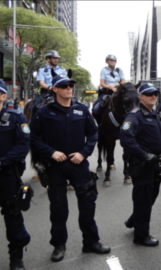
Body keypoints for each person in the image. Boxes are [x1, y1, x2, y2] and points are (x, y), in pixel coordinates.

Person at [30, 75, 110, 262]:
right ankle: (59, 245)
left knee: (88, 203)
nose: (69, 88)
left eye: (71, 85)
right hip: (55, 166)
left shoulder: (82, 110)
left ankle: (90, 242)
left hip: (78, 164)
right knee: (58, 208)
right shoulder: (44, 112)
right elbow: (32, 138)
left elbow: (92, 134)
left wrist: (83, 153)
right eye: (64, 86)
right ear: (55, 89)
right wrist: (50, 152)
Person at [120, 83, 161, 246]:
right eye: (148, 94)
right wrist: (144, 155)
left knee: (150, 197)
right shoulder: (135, 115)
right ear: (141, 97)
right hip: (142, 165)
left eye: (155, 93)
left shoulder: (154, 113)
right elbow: (126, 139)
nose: (153, 96)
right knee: (143, 199)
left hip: (154, 164)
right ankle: (141, 235)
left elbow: (160, 136)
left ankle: (134, 219)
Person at [0, 80, 31, 270]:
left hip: (6, 176)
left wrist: (2, 162)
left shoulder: (16, 118)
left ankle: (16, 257)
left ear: (4, 96)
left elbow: (22, 146)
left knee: (12, 216)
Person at [34, 50, 67, 117]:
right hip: (47, 92)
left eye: (57, 58)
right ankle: (33, 123)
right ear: (48, 59)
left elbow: (66, 82)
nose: (56, 60)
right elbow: (42, 83)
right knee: (35, 106)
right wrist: (51, 88)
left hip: (61, 92)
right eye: (54, 58)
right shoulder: (42, 70)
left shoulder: (62, 70)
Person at [92, 54, 125, 119]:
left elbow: (123, 81)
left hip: (118, 92)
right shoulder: (104, 70)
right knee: (96, 108)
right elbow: (102, 83)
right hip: (106, 92)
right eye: (110, 60)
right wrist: (111, 87)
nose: (112, 62)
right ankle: (97, 125)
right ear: (107, 61)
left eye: (114, 60)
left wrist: (115, 85)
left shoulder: (119, 70)